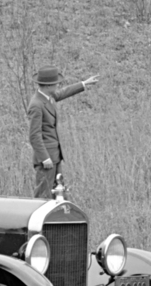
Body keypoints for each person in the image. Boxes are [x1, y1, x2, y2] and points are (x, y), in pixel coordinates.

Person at [27, 65, 99, 198]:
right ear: (48, 86)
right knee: (43, 196)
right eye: (56, 84)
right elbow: (34, 136)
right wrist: (45, 158)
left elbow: (62, 93)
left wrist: (83, 84)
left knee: (59, 193)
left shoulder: (48, 96)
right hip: (47, 159)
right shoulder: (36, 104)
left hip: (55, 156)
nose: (58, 86)